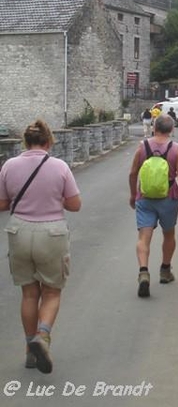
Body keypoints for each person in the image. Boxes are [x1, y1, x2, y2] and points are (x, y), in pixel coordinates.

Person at [0, 120, 81, 374]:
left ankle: (29, 351)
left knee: (29, 294)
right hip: (51, 233)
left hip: (19, 232)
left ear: (25, 141)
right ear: (48, 142)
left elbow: (2, 204)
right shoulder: (59, 167)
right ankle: (42, 336)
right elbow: (75, 204)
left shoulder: (9, 166)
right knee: (52, 292)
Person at [128, 114, 178, 297]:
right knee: (168, 234)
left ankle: (143, 272)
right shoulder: (176, 149)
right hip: (169, 198)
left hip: (145, 198)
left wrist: (133, 194)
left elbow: (132, 173)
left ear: (154, 127)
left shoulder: (143, 147)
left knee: (143, 236)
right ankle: (165, 270)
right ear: (171, 130)